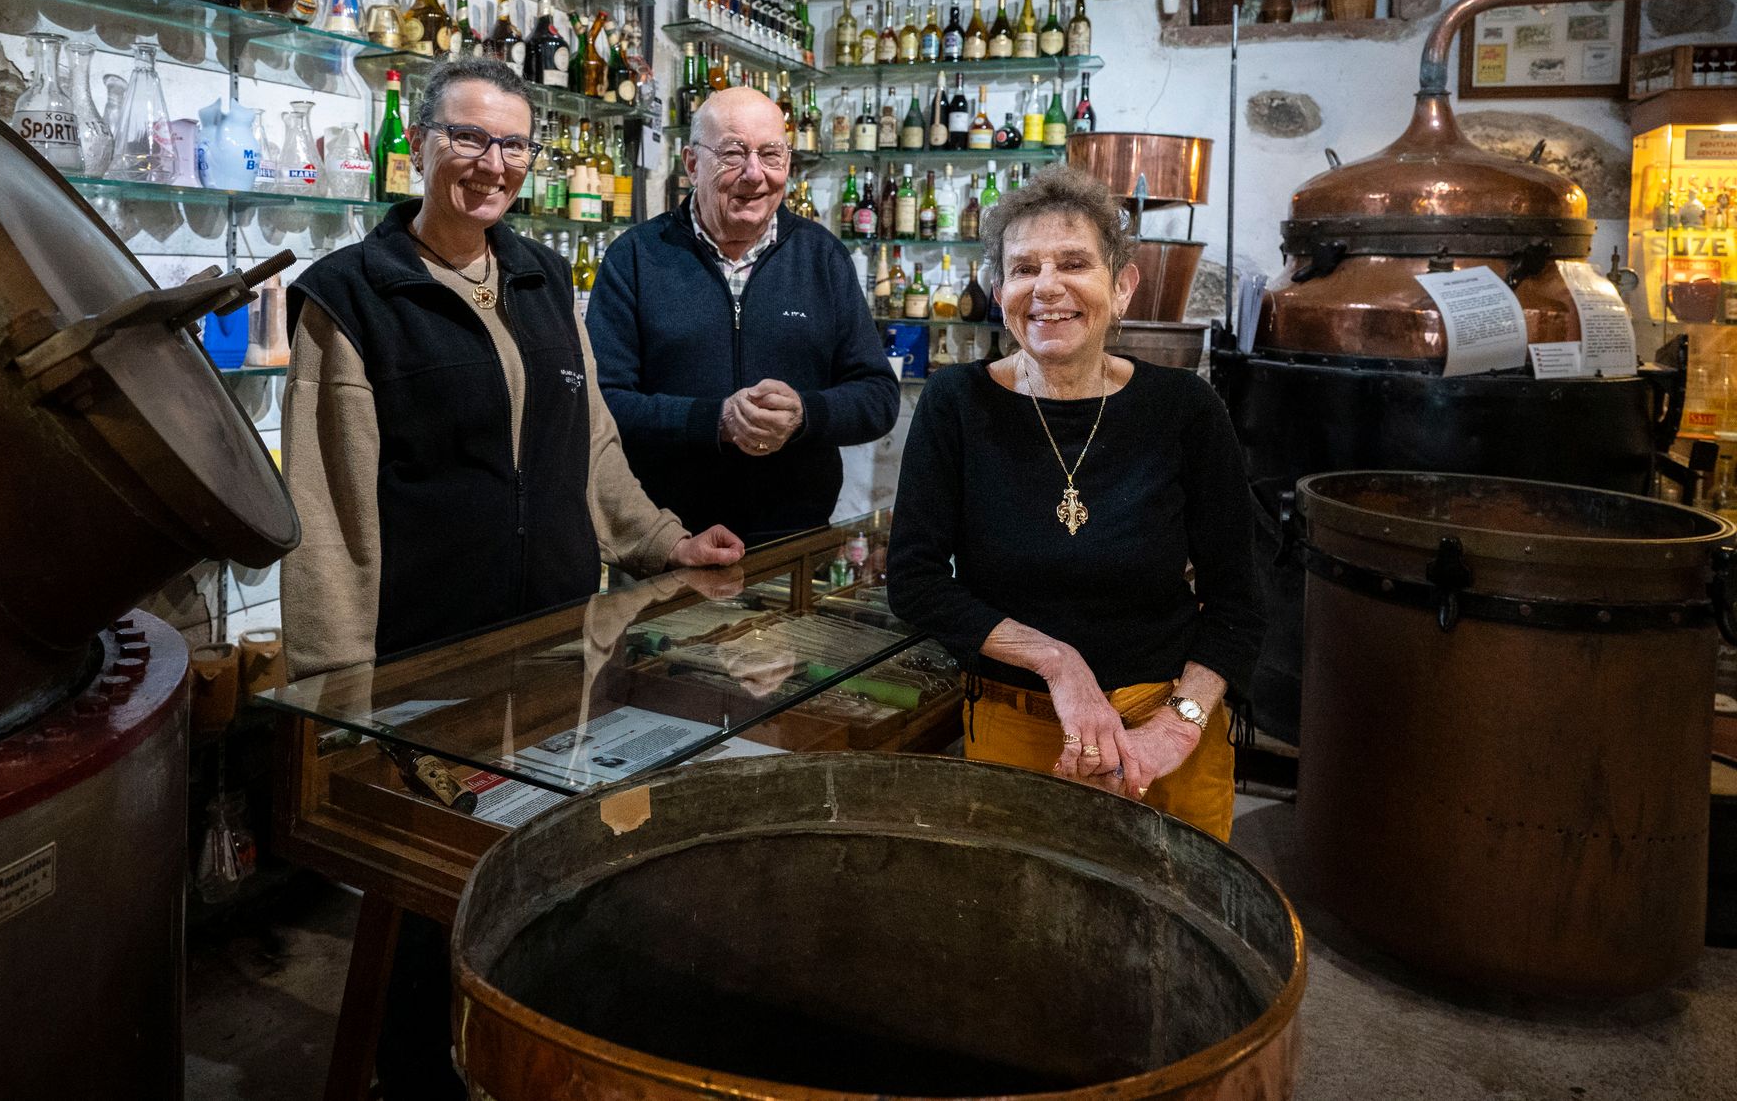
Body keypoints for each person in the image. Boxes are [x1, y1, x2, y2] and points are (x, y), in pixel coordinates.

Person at [279, 58, 743, 1097]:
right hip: (424, 665)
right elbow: (329, 518)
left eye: (512, 145)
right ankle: (415, 1076)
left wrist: (667, 540)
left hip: (551, 648)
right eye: (469, 138)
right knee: (424, 898)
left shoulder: (539, 275)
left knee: (533, 876)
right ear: (421, 143)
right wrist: (334, 696)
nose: (491, 165)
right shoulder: (349, 297)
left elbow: (591, 447)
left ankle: (521, 1060)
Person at [886, 163, 1262, 840]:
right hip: (1017, 726)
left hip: (1170, 726)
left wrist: (1176, 726)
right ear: (999, 291)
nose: (1048, 287)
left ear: (1121, 287)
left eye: (1074, 263)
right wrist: (1058, 661)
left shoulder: (1184, 408)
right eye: (1024, 267)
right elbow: (913, 582)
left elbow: (1238, 602)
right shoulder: (957, 404)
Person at [585, 86, 901, 544]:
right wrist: (715, 421)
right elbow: (600, 403)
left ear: (788, 164)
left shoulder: (822, 257)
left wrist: (804, 415)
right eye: (733, 153)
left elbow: (877, 399)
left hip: (795, 540)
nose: (754, 174)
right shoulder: (635, 257)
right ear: (692, 163)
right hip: (665, 543)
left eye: (771, 154)